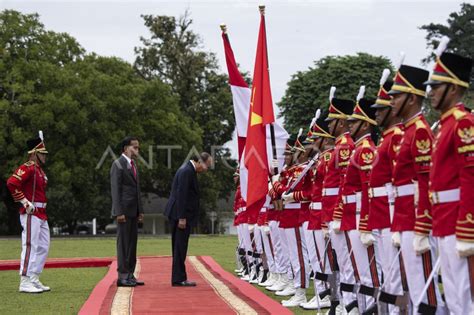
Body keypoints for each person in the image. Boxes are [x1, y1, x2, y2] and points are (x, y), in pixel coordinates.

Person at [389, 63, 447, 314]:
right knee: (413, 284)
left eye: (396, 96)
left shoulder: (421, 131)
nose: (392, 102)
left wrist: (423, 224)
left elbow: (425, 181)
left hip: (416, 218)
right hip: (403, 216)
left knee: (425, 287)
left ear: (412, 98)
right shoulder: (408, 131)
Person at [424, 37, 474, 314]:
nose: (430, 93)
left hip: (459, 219)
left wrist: (467, 227)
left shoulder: (463, 124)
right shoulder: (444, 126)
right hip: (443, 218)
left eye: (436, 87)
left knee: (464, 295)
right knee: (453, 293)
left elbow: (470, 178)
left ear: (453, 89)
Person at [7, 132, 50, 294]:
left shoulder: (39, 170)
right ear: (34, 154)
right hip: (31, 212)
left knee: (44, 246)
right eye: (42, 154)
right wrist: (24, 201)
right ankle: (24, 280)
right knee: (30, 246)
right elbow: (12, 183)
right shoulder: (29, 167)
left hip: (41, 213)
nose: (45, 157)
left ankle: (33, 277)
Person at [164, 152, 213, 286]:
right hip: (179, 215)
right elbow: (182, 195)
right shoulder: (187, 171)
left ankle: (178, 277)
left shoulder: (187, 169)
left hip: (178, 214)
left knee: (179, 247)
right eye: (206, 165)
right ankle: (179, 278)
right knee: (180, 247)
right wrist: (182, 217)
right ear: (199, 162)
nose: (206, 169)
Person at [110, 136, 144, 287]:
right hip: (123, 211)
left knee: (132, 245)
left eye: (138, 147)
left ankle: (130, 274)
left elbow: (137, 190)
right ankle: (122, 276)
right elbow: (116, 190)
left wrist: (140, 210)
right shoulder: (118, 164)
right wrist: (118, 212)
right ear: (125, 148)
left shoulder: (133, 164)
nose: (137, 150)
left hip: (133, 211)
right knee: (123, 245)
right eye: (134, 147)